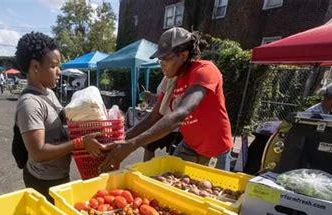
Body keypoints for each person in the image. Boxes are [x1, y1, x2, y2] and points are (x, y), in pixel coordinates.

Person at [101, 27, 233, 171]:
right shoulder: (172, 81)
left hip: (216, 150)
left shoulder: (204, 71)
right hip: (190, 146)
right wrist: (121, 139)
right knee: (169, 181)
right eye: (160, 58)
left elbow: (181, 113)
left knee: (210, 191)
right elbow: (152, 118)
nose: (161, 63)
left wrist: (133, 144)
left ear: (183, 55)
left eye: (166, 58)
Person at [15, 32, 106, 200]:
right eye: (53, 66)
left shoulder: (48, 93)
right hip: (43, 181)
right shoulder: (30, 104)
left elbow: (65, 119)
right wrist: (79, 143)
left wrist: (95, 114)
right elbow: (38, 153)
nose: (59, 72)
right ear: (35, 67)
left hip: (59, 175)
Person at [139, 79, 182, 161]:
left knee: (175, 156)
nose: (162, 66)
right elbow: (162, 98)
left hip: (175, 126)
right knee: (149, 147)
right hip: (161, 123)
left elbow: (170, 99)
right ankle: (146, 171)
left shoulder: (180, 77)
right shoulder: (166, 77)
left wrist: (151, 96)